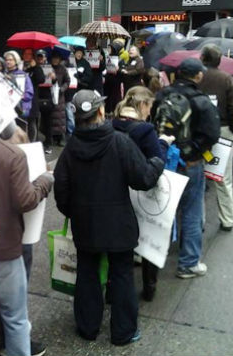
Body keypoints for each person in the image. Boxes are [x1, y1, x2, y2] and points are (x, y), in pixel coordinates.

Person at [54, 90, 165, 346]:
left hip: (86, 224)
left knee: (87, 273)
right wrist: (157, 163)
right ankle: (123, 332)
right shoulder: (119, 142)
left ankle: (88, 327)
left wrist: (74, 212)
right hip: (119, 224)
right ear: (101, 111)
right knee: (122, 274)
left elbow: (61, 190)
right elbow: (143, 179)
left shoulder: (70, 149)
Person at [0, 128, 52, 356]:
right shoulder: (11, 155)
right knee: (15, 318)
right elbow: (25, 200)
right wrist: (45, 182)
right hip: (3, 250)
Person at [153, 58, 220, 279]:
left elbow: (153, 122)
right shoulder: (201, 100)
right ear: (198, 76)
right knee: (191, 212)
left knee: (161, 209)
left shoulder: (163, 95)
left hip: (163, 158)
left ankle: (152, 255)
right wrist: (192, 152)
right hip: (190, 164)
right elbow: (212, 134)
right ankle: (188, 263)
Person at [112, 86, 175, 301]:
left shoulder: (112, 124)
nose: (150, 112)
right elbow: (156, 162)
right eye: (149, 106)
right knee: (149, 238)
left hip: (116, 190)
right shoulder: (145, 130)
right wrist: (163, 144)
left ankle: (113, 286)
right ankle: (149, 287)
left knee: (120, 243)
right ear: (142, 105)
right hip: (141, 190)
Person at [199, 44, 233, 232]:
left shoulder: (197, 79)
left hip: (200, 133)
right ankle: (227, 219)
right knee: (223, 177)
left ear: (202, 59)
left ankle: (199, 220)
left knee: (198, 177)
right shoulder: (228, 80)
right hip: (224, 131)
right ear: (220, 61)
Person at [44, 49, 70, 147]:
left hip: (60, 96)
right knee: (51, 118)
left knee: (60, 118)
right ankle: (50, 137)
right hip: (49, 95)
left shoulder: (63, 69)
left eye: (57, 58)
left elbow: (67, 81)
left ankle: (61, 138)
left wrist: (62, 89)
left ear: (60, 59)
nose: (55, 60)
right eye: (53, 58)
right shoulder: (47, 68)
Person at [3, 51, 34, 124]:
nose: (8, 62)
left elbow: (29, 93)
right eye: (6, 60)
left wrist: (21, 96)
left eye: (10, 60)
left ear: (16, 61)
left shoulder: (23, 75)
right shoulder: (3, 74)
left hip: (20, 108)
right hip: (6, 108)